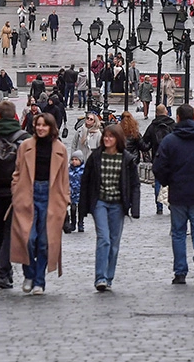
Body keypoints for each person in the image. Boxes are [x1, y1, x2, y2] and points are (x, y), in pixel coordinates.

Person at [153, 104, 194, 285]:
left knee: (179, 233)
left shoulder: (170, 141)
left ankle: (180, 271)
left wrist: (167, 181)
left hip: (178, 193)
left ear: (178, 118)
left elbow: (159, 166)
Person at [10, 112, 70, 295]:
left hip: (51, 196)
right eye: (38, 125)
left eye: (44, 125)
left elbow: (64, 179)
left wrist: (65, 200)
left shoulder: (60, 148)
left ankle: (39, 281)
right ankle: (29, 273)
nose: (41, 128)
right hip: (28, 193)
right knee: (28, 238)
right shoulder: (26, 146)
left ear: (51, 127)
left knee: (44, 241)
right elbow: (17, 172)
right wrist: (16, 191)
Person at [80, 124, 140, 291]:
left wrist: (134, 208)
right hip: (100, 201)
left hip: (118, 204)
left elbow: (135, 184)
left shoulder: (126, 159)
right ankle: (100, 277)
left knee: (114, 242)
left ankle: (108, 277)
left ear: (118, 139)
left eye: (111, 136)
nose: (107, 139)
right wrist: (83, 207)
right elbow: (86, 180)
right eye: (105, 136)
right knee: (104, 239)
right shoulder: (96, 157)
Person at [0, 101, 30, 289]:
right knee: (10, 231)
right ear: (15, 115)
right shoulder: (24, 137)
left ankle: (5, 270)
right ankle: (2, 272)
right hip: (17, 190)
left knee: (0, 232)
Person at [139, 105, 176, 214]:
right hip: (171, 158)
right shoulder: (173, 125)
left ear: (156, 113)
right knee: (172, 182)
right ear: (166, 112)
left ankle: (159, 207)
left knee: (158, 182)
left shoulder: (152, 126)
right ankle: (171, 204)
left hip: (157, 157)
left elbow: (145, 143)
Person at [67, 150, 85, 233]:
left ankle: (81, 223)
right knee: (73, 208)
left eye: (76, 159)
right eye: (73, 159)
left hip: (81, 192)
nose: (74, 161)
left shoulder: (83, 170)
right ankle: (73, 223)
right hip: (72, 192)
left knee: (81, 209)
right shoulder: (69, 170)